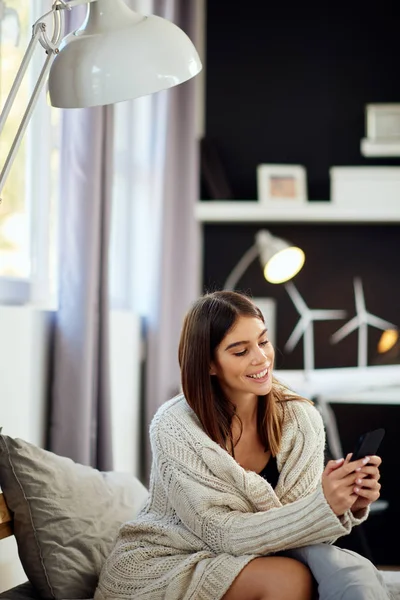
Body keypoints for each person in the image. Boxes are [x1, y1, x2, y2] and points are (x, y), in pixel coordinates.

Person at [95, 291, 389, 600]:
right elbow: (221, 532)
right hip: (169, 558)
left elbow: (298, 533)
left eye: (263, 342)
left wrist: (347, 505)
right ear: (209, 364)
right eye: (240, 351)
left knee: (309, 573)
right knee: (288, 579)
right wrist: (322, 505)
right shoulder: (174, 427)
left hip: (254, 558)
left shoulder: (302, 420)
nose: (261, 358)